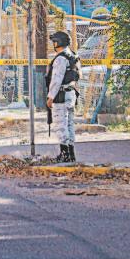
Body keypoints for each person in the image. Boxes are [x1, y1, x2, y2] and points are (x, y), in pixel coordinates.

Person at [46, 30, 81, 163]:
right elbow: (78, 75)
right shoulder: (73, 55)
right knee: (70, 124)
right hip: (71, 93)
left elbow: (56, 79)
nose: (53, 44)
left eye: (54, 41)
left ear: (58, 42)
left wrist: (51, 97)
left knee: (61, 125)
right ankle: (71, 154)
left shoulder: (61, 58)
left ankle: (65, 154)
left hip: (61, 95)